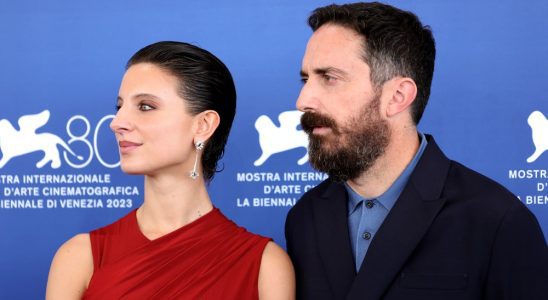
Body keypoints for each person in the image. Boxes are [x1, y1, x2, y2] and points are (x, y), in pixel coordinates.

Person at [285, 2, 548, 300]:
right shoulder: (305, 218)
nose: (303, 99)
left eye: (329, 78)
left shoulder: (496, 221)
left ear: (397, 96)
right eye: (305, 79)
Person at [46, 41, 295, 299]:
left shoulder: (264, 266)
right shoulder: (79, 257)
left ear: (203, 125)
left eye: (145, 106)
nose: (117, 122)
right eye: (119, 106)